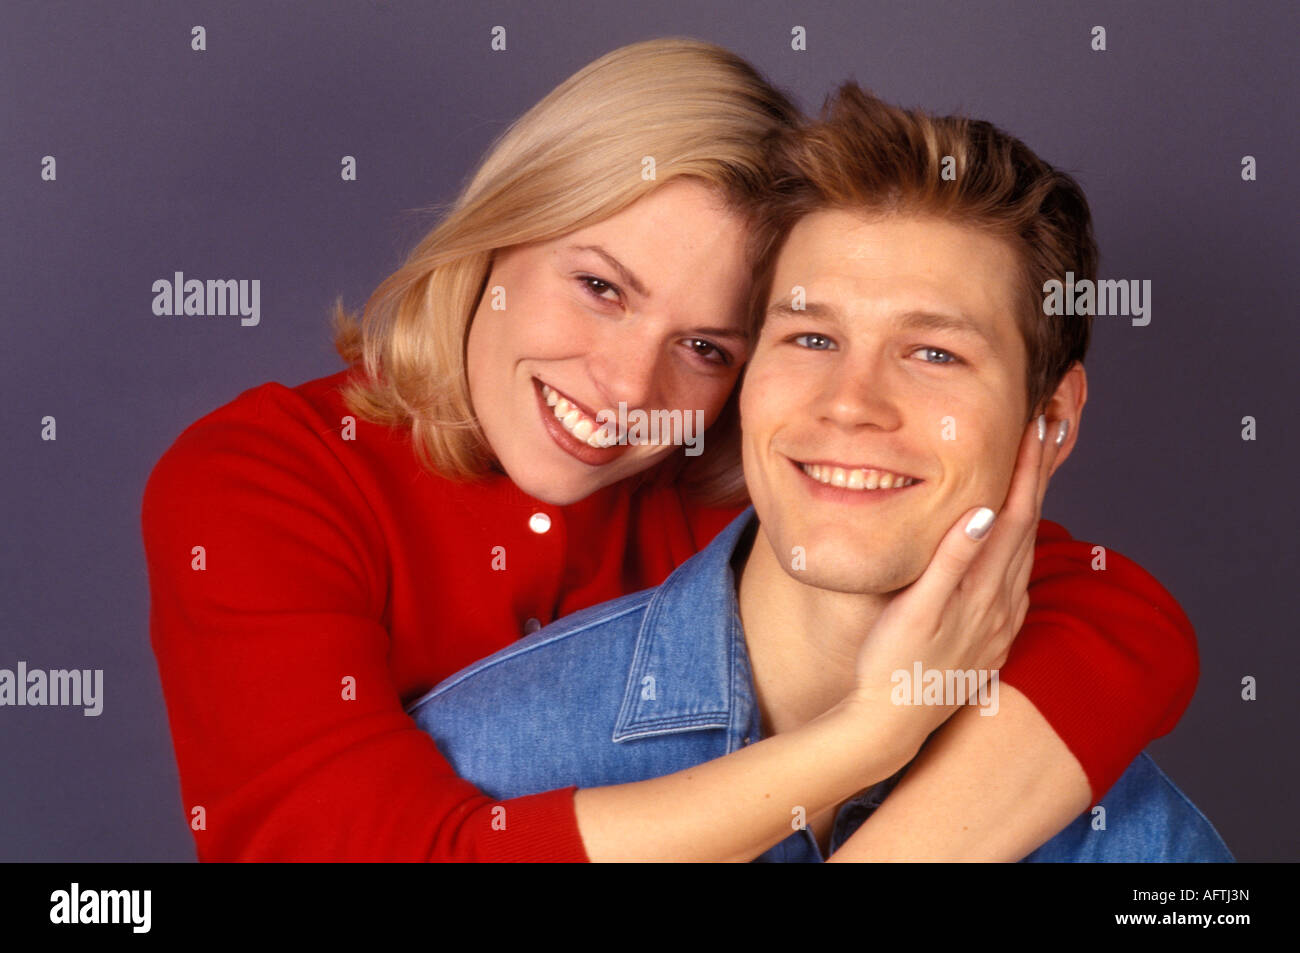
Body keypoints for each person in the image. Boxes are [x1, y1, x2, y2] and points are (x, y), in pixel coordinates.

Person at [142, 39, 1198, 862]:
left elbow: (1116, 619)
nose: (627, 387)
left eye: (705, 345)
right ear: (498, 232)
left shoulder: (717, 468)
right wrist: (867, 738)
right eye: (599, 287)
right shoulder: (264, 477)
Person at [405, 81, 1232, 861]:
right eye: (811, 339)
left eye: (934, 351)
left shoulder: (1132, 837)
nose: (850, 404)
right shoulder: (480, 762)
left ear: (1051, 418)